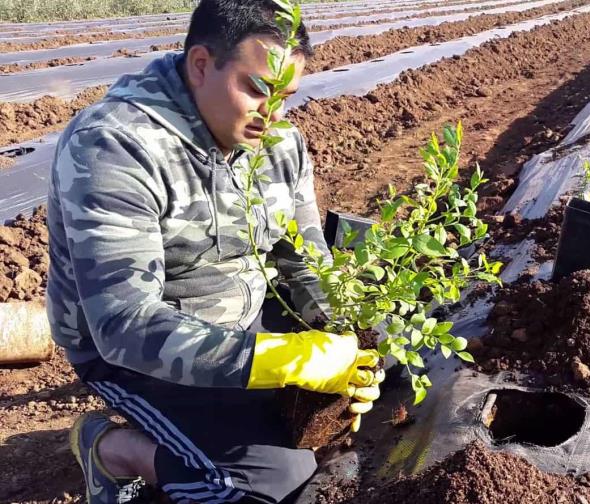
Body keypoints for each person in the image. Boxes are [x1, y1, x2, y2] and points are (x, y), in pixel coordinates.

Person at [46, 1, 382, 502]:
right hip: (139, 355)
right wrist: (280, 359)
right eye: (257, 89)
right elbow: (124, 325)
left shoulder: (279, 142)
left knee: (392, 367)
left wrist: (341, 340)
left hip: (249, 318)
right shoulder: (114, 146)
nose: (273, 115)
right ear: (201, 64)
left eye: (286, 96)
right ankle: (113, 451)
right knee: (272, 488)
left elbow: (304, 261)